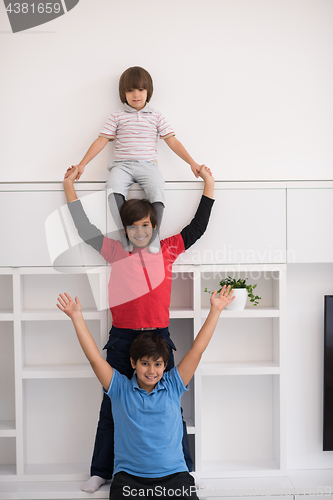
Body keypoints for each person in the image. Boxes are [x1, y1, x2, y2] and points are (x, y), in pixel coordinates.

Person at [63, 164, 215, 493]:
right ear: (126, 229)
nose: (140, 232)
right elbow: (84, 228)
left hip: (159, 336)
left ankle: (185, 470)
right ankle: (101, 470)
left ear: (153, 225)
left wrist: (209, 184)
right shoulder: (116, 252)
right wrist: (69, 188)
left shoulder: (170, 249)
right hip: (123, 338)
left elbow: (198, 227)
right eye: (133, 227)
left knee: (171, 407)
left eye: (145, 226)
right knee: (111, 405)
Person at [56, 285, 235, 499]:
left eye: (157, 364)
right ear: (133, 363)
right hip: (129, 478)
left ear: (165, 365)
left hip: (175, 476)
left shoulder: (173, 385)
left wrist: (215, 311)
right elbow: (94, 358)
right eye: (144, 364)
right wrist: (76, 317)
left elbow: (197, 350)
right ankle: (99, 473)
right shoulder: (120, 389)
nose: (151, 371)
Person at [64, 66, 203, 252]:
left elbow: (172, 141)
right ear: (123, 93)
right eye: (130, 90)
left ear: (148, 91)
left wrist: (192, 163)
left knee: (157, 189)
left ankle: (154, 236)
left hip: (148, 165)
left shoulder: (156, 116)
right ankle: (125, 235)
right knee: (112, 190)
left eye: (140, 89)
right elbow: (101, 141)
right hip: (122, 166)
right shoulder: (116, 117)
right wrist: (82, 164)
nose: (135, 94)